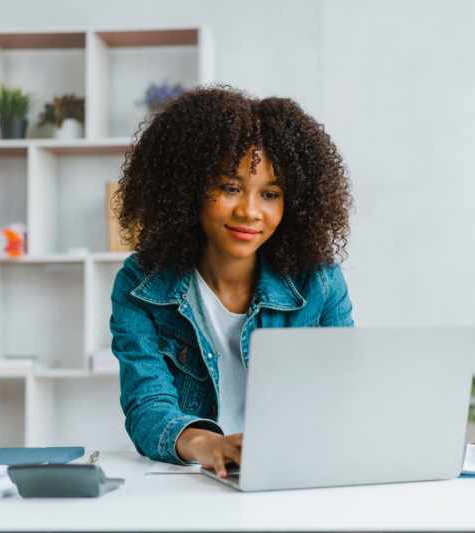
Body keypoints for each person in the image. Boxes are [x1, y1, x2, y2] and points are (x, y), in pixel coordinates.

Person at [110, 86, 353, 478]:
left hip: (294, 473)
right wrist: (211, 446)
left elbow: (345, 391)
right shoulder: (142, 284)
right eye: (230, 187)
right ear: (187, 188)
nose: (250, 211)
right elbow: (148, 407)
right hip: (192, 478)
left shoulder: (319, 282)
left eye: (271, 193)